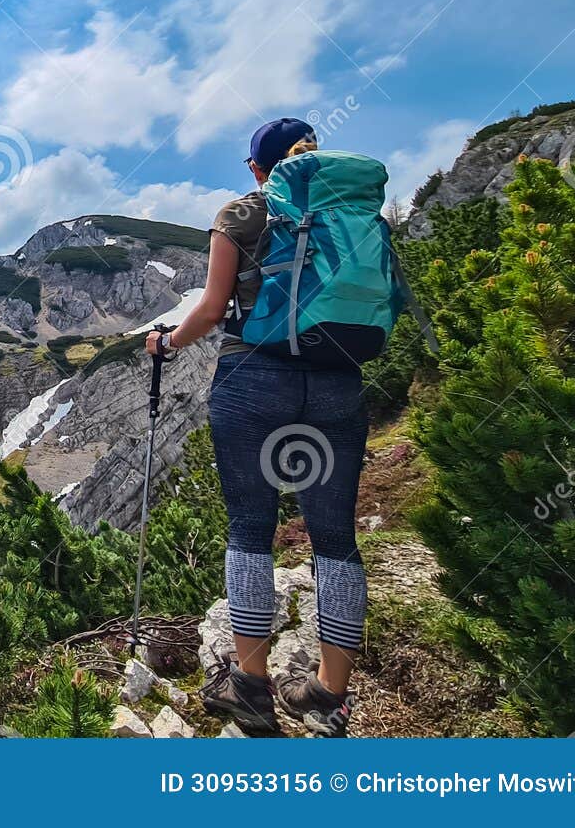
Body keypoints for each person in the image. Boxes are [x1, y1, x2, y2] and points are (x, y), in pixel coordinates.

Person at [145, 118, 367, 737]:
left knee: (250, 527)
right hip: (338, 382)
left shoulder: (242, 215)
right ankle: (329, 696)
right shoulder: (350, 212)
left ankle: (249, 686)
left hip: (254, 381)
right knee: (336, 538)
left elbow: (213, 310)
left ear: (257, 167)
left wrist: (165, 341)